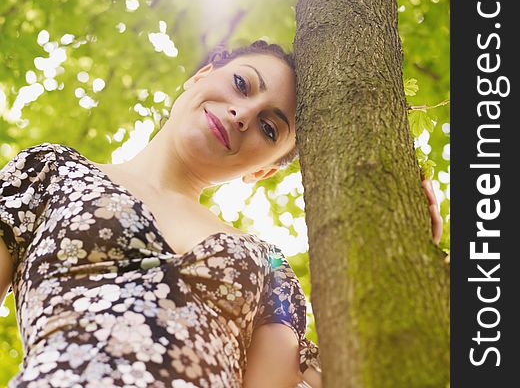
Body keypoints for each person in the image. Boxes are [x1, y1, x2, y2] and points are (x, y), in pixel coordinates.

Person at [0, 40, 441, 388]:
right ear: (200, 77)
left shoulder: (269, 265)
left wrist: (399, 261)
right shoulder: (50, 171)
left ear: (263, 171)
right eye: (242, 84)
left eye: (271, 128)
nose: (243, 113)